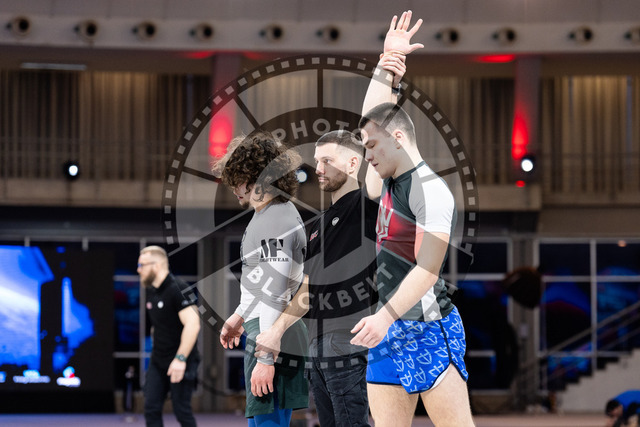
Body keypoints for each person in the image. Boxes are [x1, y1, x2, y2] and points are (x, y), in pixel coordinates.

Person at [252, 12, 418, 427]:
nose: (319, 168)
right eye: (316, 161)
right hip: (319, 348)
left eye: (327, 160)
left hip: (353, 345)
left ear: (355, 162)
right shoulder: (316, 226)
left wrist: (386, 71)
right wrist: (274, 333)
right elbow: (308, 290)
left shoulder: (369, 202)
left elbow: (375, 129)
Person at [350, 15, 476, 427]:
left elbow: (427, 270)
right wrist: (385, 66)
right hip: (388, 327)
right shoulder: (386, 179)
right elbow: (372, 119)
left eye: (372, 148)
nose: (367, 156)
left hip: (427, 326)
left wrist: (384, 316)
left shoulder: (431, 190)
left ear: (399, 140)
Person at [218, 131, 309, 427]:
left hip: (272, 334)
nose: (234, 188)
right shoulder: (268, 214)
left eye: (238, 179)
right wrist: (240, 315)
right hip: (266, 330)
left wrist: (266, 358)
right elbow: (259, 281)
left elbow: (275, 291)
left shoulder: (275, 219)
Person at [138, 245, 201, 427]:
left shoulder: (178, 288)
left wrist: (180, 359)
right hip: (158, 360)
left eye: (142, 265)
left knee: (182, 411)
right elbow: (157, 326)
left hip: (181, 359)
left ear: (156, 266)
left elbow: (193, 324)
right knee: (151, 408)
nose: (138, 270)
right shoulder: (152, 291)